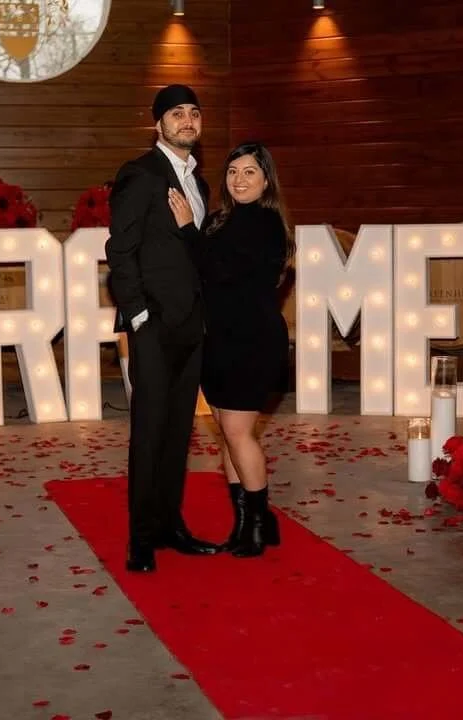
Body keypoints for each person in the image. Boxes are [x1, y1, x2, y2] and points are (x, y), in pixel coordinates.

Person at [105, 84, 220, 573]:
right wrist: (139, 314)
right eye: (177, 114)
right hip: (152, 327)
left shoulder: (201, 182)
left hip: (191, 327)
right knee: (149, 433)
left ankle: (171, 525)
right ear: (159, 124)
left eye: (194, 113)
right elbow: (119, 251)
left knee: (179, 433)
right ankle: (141, 540)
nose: (188, 121)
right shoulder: (140, 174)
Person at [168, 141, 290, 557]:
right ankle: (247, 522)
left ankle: (256, 526)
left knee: (238, 434)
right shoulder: (219, 220)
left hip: (251, 341)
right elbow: (198, 272)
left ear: (266, 180)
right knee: (228, 435)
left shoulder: (267, 224)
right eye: (233, 171)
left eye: (249, 172)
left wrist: (187, 229)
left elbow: (219, 271)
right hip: (218, 340)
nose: (239, 179)